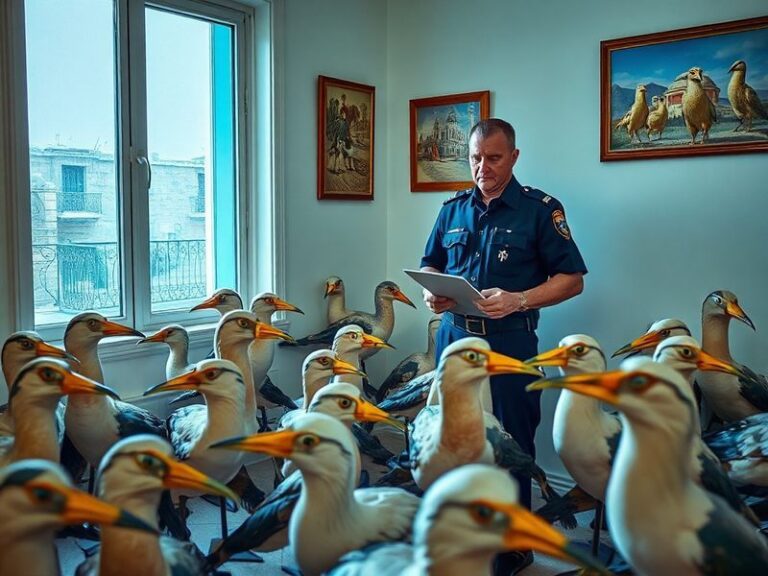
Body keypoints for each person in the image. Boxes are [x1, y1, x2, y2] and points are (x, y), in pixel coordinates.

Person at [420, 118, 587, 575]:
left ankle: (513, 543)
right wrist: (430, 294)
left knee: (512, 440)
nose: (482, 167)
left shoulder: (539, 210)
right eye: (475, 158)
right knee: (453, 435)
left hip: (510, 340)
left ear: (514, 157)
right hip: (454, 338)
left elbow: (572, 280)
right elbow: (429, 263)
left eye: (493, 158)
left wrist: (520, 299)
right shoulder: (452, 209)